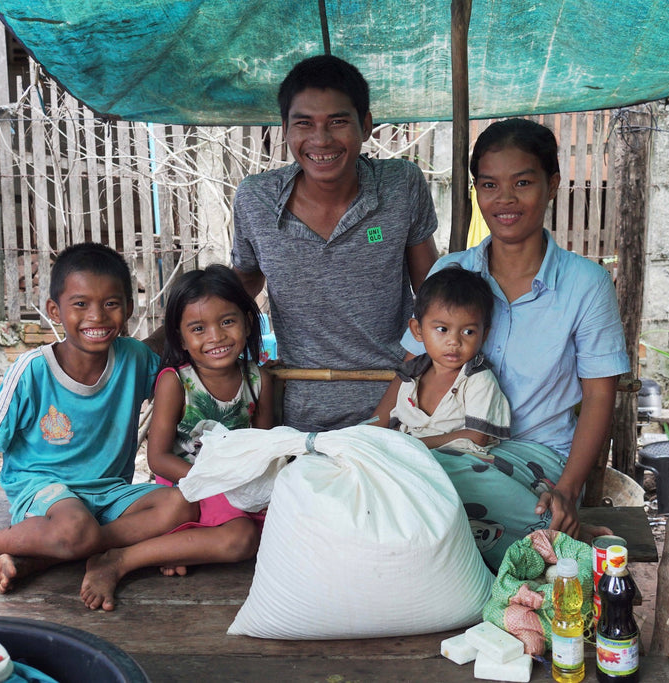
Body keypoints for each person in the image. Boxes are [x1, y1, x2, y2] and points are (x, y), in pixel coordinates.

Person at [374, 119, 630, 569]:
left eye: (523, 183)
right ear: (476, 190)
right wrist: (372, 436)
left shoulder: (584, 284)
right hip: (447, 443)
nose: (505, 199)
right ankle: (551, 545)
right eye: (489, 184)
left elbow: (598, 396)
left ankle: (541, 534)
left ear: (552, 185)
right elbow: (411, 369)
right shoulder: (451, 272)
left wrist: (569, 490)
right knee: (382, 473)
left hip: (536, 455)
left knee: (435, 481)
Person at [0, 243, 193, 598]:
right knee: (76, 528)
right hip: (45, 490)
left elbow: (183, 383)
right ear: (54, 311)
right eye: (80, 304)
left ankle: (45, 555)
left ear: (129, 310)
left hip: (109, 492)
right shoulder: (32, 370)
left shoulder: (135, 359)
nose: (97, 316)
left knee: (182, 505)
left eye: (111, 304)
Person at [231, 54, 439, 432]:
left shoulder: (401, 185)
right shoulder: (255, 200)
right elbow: (240, 287)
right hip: (297, 409)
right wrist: (174, 339)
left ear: (366, 125)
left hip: (397, 404)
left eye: (338, 122)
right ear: (285, 129)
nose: (320, 140)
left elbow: (431, 292)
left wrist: (422, 375)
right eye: (304, 124)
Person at [80, 265, 273, 611]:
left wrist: (247, 479)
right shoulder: (176, 382)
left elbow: (263, 445)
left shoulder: (259, 379)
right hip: (186, 484)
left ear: (247, 321)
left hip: (238, 485)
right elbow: (159, 460)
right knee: (241, 539)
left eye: (227, 322)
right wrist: (214, 480)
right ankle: (120, 560)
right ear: (182, 339)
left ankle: (185, 546)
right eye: (198, 329)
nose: (215, 337)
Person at [388, 265, 511, 456]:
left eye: (468, 332)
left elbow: (477, 436)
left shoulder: (477, 380)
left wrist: (415, 444)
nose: (454, 342)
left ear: (484, 335)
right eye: (442, 329)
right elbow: (398, 425)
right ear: (417, 330)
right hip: (410, 456)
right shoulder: (412, 375)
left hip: (460, 461)